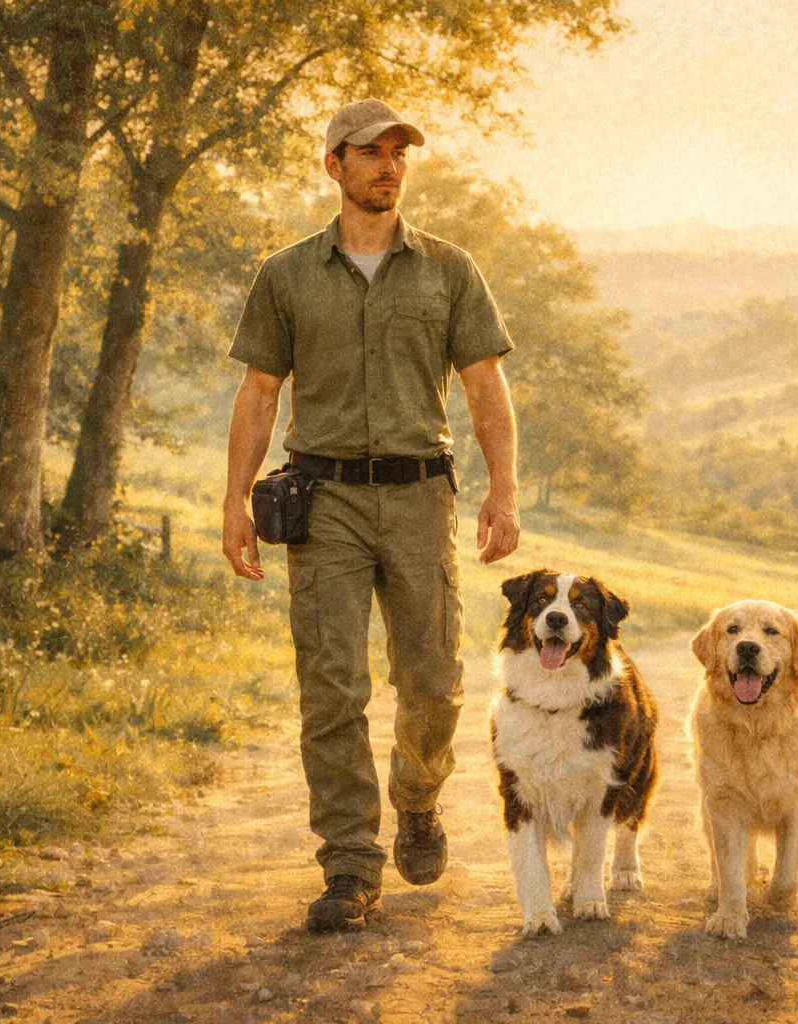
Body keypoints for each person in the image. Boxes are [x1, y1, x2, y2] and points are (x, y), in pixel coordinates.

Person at [221, 98, 521, 933]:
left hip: (422, 495)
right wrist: (236, 499)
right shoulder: (284, 276)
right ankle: (350, 865)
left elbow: (485, 386)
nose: (389, 164)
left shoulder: (449, 269)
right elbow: (257, 393)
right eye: (370, 151)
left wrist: (502, 490)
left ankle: (418, 801)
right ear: (334, 166)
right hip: (324, 501)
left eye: (399, 152)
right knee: (333, 685)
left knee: (432, 679)